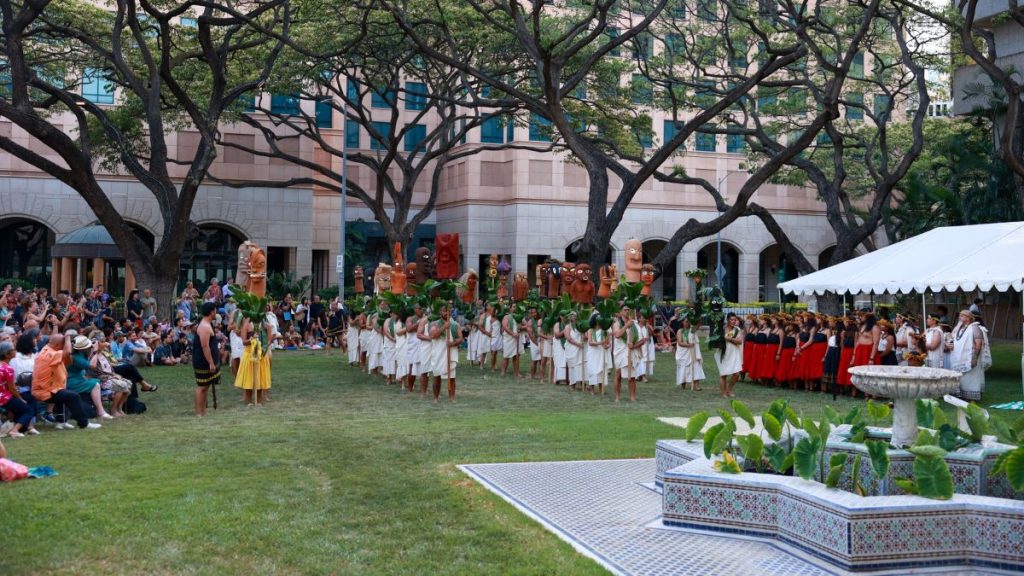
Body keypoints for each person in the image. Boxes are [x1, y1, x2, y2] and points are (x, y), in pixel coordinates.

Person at [31, 333, 100, 430]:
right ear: (57, 345)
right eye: (64, 344)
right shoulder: (49, 354)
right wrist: (67, 337)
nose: (66, 346)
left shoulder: (48, 350)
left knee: (63, 392)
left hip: (51, 388)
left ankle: (61, 422)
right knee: (73, 396)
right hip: (45, 391)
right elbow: (67, 352)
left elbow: (68, 359)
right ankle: (84, 424)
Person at [67, 335, 112, 419]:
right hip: (72, 381)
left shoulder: (80, 353)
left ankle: (98, 409)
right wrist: (95, 351)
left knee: (96, 381)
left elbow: (88, 360)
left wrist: (93, 349)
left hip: (79, 378)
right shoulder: (75, 357)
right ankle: (101, 411)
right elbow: (92, 366)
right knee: (95, 385)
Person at [89, 334, 132, 417]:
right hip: (102, 380)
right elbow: (96, 373)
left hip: (109, 377)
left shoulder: (103, 354)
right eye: (103, 342)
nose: (106, 343)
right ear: (96, 344)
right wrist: (112, 377)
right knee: (121, 385)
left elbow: (109, 368)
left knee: (128, 383)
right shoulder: (92, 356)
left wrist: (115, 375)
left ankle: (119, 408)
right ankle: (113, 409)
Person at [1, 341, 38, 437]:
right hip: (4, 398)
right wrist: (21, 399)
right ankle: (15, 430)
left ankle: (21, 428)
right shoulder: (8, 369)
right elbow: (12, 389)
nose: (15, 351)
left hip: (3, 396)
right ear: (7, 355)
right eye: (13, 350)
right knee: (28, 410)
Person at [429, 303, 462, 403]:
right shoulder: (435, 324)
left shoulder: (455, 325)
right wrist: (444, 327)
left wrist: (453, 343)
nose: (446, 313)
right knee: (437, 376)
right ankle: (436, 397)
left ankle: (452, 397)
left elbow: (460, 339)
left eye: (448, 310)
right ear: (440, 312)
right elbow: (432, 335)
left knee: (451, 377)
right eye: (444, 311)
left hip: (450, 353)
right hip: (438, 354)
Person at [951, 309, 986, 400]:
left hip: (971, 357)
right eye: (960, 315)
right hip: (960, 358)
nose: (960, 317)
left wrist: (974, 358)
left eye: (962, 316)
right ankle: (963, 395)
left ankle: (972, 397)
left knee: (971, 377)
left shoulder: (975, 328)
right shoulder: (960, 328)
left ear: (968, 318)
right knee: (962, 378)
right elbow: (953, 337)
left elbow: (979, 344)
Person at [193, 303, 221, 416]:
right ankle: (198, 412)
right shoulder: (204, 326)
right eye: (215, 310)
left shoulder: (208, 324)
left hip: (207, 360)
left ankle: (203, 410)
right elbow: (205, 346)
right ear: (211, 312)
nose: (216, 313)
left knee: (206, 385)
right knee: (202, 386)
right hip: (203, 361)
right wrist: (211, 363)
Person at [716, 313, 744, 398]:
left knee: (737, 374)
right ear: (728, 320)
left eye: (735, 320)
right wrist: (731, 339)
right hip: (724, 353)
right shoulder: (722, 329)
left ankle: (729, 389)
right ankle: (723, 393)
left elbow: (740, 341)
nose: (733, 321)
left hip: (734, 353)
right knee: (723, 374)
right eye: (731, 320)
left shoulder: (737, 329)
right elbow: (718, 340)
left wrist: (729, 338)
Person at [675, 317, 704, 391]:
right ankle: (683, 382)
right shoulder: (680, 331)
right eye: (686, 321)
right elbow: (680, 342)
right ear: (682, 322)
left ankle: (696, 385)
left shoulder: (692, 330)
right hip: (684, 352)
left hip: (693, 352)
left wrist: (697, 315)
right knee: (684, 367)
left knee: (696, 366)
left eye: (689, 321)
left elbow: (698, 325)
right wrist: (688, 345)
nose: (688, 323)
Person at [501, 307, 521, 378]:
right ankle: (503, 372)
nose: (515, 308)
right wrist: (513, 334)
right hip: (508, 338)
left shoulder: (519, 317)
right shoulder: (506, 317)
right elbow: (505, 327)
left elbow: (526, 325)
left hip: (516, 339)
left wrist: (521, 327)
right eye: (513, 307)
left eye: (516, 307)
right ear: (510, 308)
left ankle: (516, 372)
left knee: (516, 356)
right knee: (506, 356)